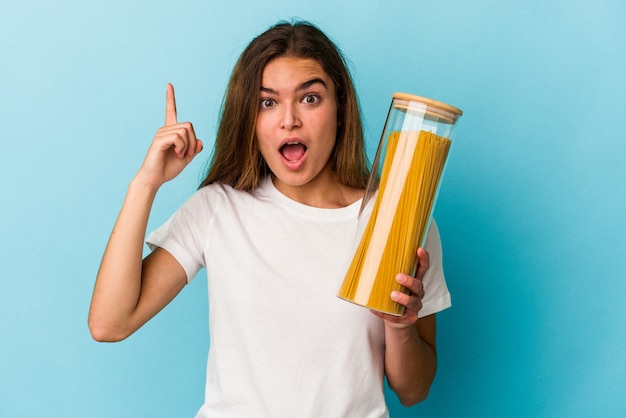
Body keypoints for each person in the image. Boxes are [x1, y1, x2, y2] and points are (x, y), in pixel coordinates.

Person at [88, 20, 451, 417]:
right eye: (268, 102)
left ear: (341, 110)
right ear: (250, 118)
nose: (289, 120)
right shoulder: (217, 209)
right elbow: (110, 324)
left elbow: (414, 391)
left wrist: (399, 326)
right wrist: (145, 184)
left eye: (309, 98)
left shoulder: (397, 223)